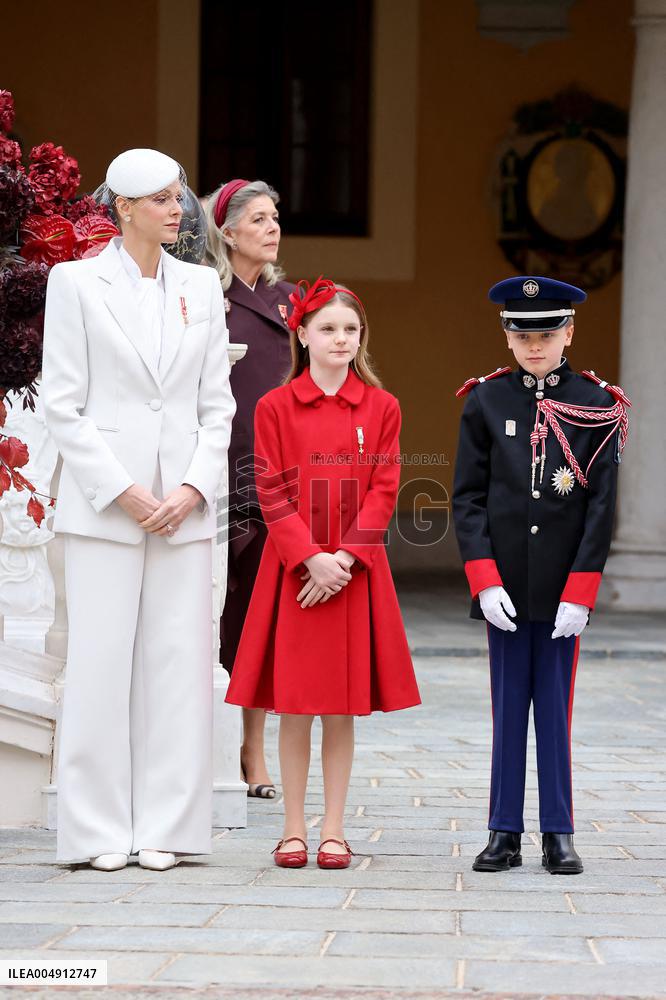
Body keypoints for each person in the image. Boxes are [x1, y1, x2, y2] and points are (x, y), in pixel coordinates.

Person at [41, 148, 236, 871]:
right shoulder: (75, 282)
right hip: (105, 509)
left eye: (178, 197)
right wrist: (123, 488)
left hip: (184, 509)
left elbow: (216, 406)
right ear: (123, 207)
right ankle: (94, 833)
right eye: (159, 199)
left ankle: (168, 829)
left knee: (180, 666)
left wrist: (191, 487)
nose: (177, 209)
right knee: (98, 666)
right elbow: (65, 404)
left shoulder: (200, 287)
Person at [226, 277, 421, 869]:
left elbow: (384, 488)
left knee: (339, 706)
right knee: (295, 704)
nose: (341, 339)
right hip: (294, 574)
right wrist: (309, 556)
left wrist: (344, 559)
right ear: (303, 334)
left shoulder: (382, 407)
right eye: (329, 328)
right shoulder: (274, 406)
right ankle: (292, 829)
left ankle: (333, 828)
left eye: (351, 329)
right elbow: (270, 488)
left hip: (354, 573)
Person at [453, 275, 630, 875]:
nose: (535, 344)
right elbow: (469, 499)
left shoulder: (596, 404)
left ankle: (558, 830)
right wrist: (484, 578)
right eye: (522, 333)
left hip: (561, 592)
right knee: (507, 711)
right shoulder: (486, 401)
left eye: (548, 332)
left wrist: (582, 591)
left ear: (569, 332)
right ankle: (504, 830)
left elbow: (601, 507)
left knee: (554, 710)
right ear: (506, 337)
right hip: (504, 585)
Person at [205, 179, 294, 799]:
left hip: (283, 477)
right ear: (227, 230)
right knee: (222, 613)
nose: (271, 227)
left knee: (265, 616)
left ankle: (254, 748)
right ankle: (217, 742)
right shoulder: (203, 296)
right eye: (258, 219)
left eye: (275, 217)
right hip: (219, 474)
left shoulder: (295, 303)